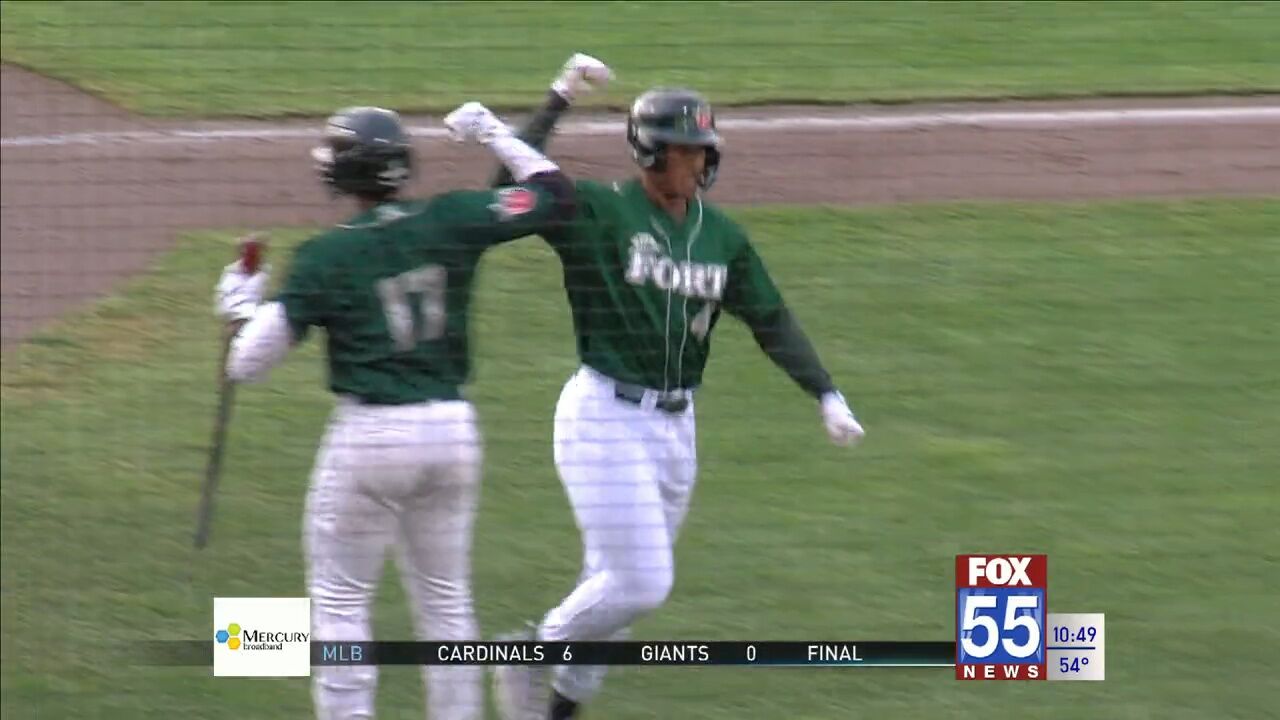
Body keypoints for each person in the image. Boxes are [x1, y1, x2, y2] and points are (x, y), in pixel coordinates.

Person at [476, 59, 868, 720]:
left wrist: (825, 393)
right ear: (653, 153)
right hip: (603, 415)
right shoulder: (598, 210)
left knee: (611, 599)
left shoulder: (721, 235)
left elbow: (769, 318)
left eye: (705, 149)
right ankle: (533, 649)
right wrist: (557, 101)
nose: (704, 161)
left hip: (676, 428)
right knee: (640, 582)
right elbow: (503, 192)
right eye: (691, 150)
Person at [211, 98, 582, 720]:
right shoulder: (453, 218)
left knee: (340, 605)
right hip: (452, 434)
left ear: (339, 176)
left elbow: (247, 363)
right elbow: (555, 195)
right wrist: (493, 132)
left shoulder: (324, 257)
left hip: (371, 440)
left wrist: (241, 303)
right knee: (446, 604)